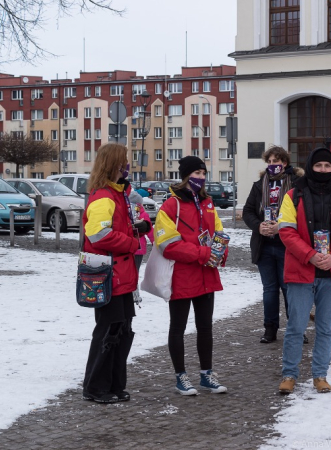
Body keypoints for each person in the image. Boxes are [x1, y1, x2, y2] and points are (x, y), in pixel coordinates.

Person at [277, 147, 331, 395]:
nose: (323, 170)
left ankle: (320, 375)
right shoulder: (294, 195)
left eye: (327, 166)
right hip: (302, 269)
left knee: (325, 328)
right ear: (310, 166)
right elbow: (286, 230)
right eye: (318, 166)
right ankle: (289, 374)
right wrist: (310, 255)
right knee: (296, 327)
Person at [154, 156, 228, 396]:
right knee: (178, 327)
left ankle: (207, 374)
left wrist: (220, 251)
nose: (201, 177)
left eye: (203, 173)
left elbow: (218, 231)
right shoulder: (170, 206)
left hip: (206, 273)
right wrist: (204, 253)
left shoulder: (207, 202)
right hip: (182, 275)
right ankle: (181, 377)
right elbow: (168, 244)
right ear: (185, 176)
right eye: (196, 173)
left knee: (205, 327)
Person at [82, 144, 149, 403]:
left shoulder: (118, 194)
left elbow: (117, 226)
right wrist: (133, 241)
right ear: (114, 165)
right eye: (125, 162)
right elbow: (98, 234)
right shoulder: (104, 197)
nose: (128, 166)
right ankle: (96, 387)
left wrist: (139, 228)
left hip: (122, 275)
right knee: (108, 331)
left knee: (122, 331)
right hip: (108, 275)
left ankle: (114, 384)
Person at [242, 146, 303, 343]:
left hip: (288, 245)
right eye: (269, 162)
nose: (272, 165)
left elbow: (303, 212)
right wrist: (258, 226)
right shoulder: (260, 185)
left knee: (289, 289)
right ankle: (270, 329)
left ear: (284, 163)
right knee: (269, 289)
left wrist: (282, 226)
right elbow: (248, 211)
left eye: (276, 161)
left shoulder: (296, 184)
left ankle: (296, 329)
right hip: (264, 244)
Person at [128, 189, 154, 306]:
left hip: (131, 248)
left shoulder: (129, 215)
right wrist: (155, 243)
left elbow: (149, 231)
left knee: (130, 271)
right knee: (135, 271)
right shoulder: (143, 214)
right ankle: (134, 292)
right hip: (138, 248)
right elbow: (150, 231)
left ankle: (133, 292)